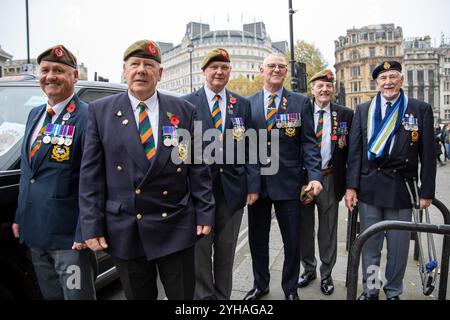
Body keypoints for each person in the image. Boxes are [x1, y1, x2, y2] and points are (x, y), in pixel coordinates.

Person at [79, 40, 215, 300]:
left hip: (175, 222)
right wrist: (91, 225)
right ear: (124, 70)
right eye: (135, 65)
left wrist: (205, 213)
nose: (141, 70)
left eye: (149, 65)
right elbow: (91, 175)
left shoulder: (185, 111)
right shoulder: (101, 111)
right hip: (126, 227)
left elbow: (198, 167)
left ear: (160, 73)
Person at [345, 61, 436, 300]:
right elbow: (355, 152)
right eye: (383, 78)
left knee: (398, 247)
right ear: (376, 83)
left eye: (393, 76)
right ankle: (372, 288)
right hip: (370, 187)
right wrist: (351, 187)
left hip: (401, 188)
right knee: (371, 244)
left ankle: (394, 290)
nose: (388, 82)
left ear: (401, 79)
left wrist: (426, 191)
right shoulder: (364, 110)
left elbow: (428, 155)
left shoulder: (420, 109)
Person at [12, 45, 96, 300]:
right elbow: (29, 172)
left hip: (69, 239)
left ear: (74, 76)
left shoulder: (87, 116)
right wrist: (20, 216)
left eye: (58, 70)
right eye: (45, 70)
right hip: (35, 233)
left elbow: (92, 179)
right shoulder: (34, 114)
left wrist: (84, 230)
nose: (50, 76)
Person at [243, 53, 323, 300]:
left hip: (289, 184)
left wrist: (315, 176)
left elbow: (309, 143)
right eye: (271, 66)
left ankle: (290, 289)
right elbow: (243, 147)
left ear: (286, 71)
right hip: (256, 185)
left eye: (281, 66)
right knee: (257, 240)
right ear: (261, 70)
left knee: (292, 241)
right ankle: (260, 284)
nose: (276, 69)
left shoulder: (300, 102)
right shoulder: (248, 104)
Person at [183, 48, 259, 300]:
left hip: (232, 191)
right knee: (200, 252)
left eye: (224, 68)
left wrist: (253, 185)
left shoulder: (242, 104)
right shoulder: (186, 103)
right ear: (204, 71)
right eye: (214, 67)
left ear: (229, 72)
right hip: (198, 194)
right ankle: (204, 299)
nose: (219, 72)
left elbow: (251, 148)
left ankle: (223, 299)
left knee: (226, 253)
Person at [297, 69, 353, 295]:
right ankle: (308, 269)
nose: (325, 89)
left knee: (328, 230)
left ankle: (326, 274)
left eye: (329, 86)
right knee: (304, 228)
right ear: (312, 89)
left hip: (330, 179)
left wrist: (351, 184)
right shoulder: (301, 111)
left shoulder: (345, 114)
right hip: (306, 182)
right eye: (320, 85)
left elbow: (351, 151)